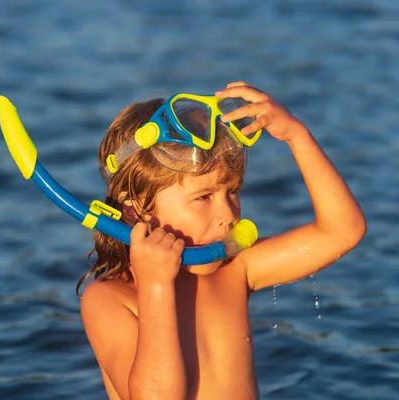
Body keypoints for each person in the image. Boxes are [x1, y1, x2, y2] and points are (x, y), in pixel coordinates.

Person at [79, 82, 366, 399]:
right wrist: (156, 287)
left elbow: (343, 231)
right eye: (203, 197)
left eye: (232, 192)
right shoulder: (110, 298)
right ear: (135, 211)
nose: (228, 213)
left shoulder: (236, 268)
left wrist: (295, 136)